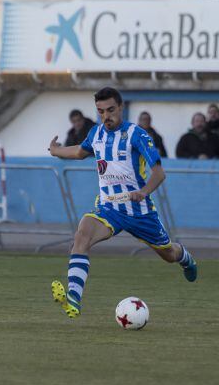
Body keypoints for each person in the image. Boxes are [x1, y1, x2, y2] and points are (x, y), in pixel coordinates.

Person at [47, 87, 198, 318]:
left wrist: (143, 191)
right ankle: (74, 298)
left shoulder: (137, 135)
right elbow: (80, 151)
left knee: (168, 253)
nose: (106, 116)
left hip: (139, 211)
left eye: (110, 110)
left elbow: (159, 173)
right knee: (82, 234)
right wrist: (57, 151)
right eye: (100, 111)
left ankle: (185, 258)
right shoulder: (96, 133)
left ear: (121, 108)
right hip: (108, 208)